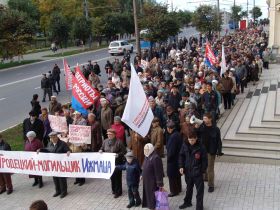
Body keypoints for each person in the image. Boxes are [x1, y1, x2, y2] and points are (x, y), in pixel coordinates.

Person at [178, 131, 208, 210]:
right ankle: (187, 202)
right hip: (188, 172)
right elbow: (181, 155)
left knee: (199, 191)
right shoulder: (185, 145)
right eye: (189, 140)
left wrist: (202, 171)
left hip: (197, 173)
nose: (191, 142)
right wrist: (181, 166)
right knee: (189, 188)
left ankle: (199, 207)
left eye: (192, 140)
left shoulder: (201, 147)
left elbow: (205, 160)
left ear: (196, 138)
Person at [38, 131, 71, 198]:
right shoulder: (50, 144)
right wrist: (40, 150)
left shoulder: (62, 143)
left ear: (56, 137)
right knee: (55, 178)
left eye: (53, 137)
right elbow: (47, 150)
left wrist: (68, 151)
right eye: (51, 138)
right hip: (53, 164)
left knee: (61, 179)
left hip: (61, 164)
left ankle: (64, 192)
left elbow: (68, 150)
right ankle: (57, 191)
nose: (52, 139)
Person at [196, 112, 223, 193]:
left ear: (210, 119)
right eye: (203, 118)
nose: (204, 120)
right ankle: (205, 178)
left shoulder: (216, 129)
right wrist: (196, 128)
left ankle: (211, 185)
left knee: (210, 169)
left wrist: (219, 151)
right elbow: (196, 135)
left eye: (205, 118)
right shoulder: (202, 127)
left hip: (211, 151)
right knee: (203, 166)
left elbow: (219, 141)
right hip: (202, 150)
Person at [99, 129, 126, 198]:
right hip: (109, 162)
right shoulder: (105, 141)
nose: (109, 135)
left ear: (114, 135)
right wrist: (101, 150)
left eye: (110, 134)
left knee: (117, 177)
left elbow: (124, 151)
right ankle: (114, 190)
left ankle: (118, 192)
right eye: (108, 134)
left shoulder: (119, 142)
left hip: (117, 162)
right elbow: (102, 147)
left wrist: (118, 155)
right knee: (112, 177)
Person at [142, 143, 164, 210]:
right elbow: (144, 167)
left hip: (153, 182)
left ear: (151, 149)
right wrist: (142, 174)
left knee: (153, 196)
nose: (145, 151)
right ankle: (151, 206)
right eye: (144, 149)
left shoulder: (155, 158)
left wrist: (159, 183)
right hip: (147, 181)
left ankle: (154, 207)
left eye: (147, 149)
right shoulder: (147, 156)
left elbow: (159, 172)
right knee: (149, 195)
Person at [166, 120, 183, 197]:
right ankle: (179, 188)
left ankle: (174, 191)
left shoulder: (172, 137)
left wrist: (168, 159)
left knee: (171, 176)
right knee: (177, 175)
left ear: (169, 128)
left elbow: (171, 151)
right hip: (178, 158)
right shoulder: (177, 134)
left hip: (172, 160)